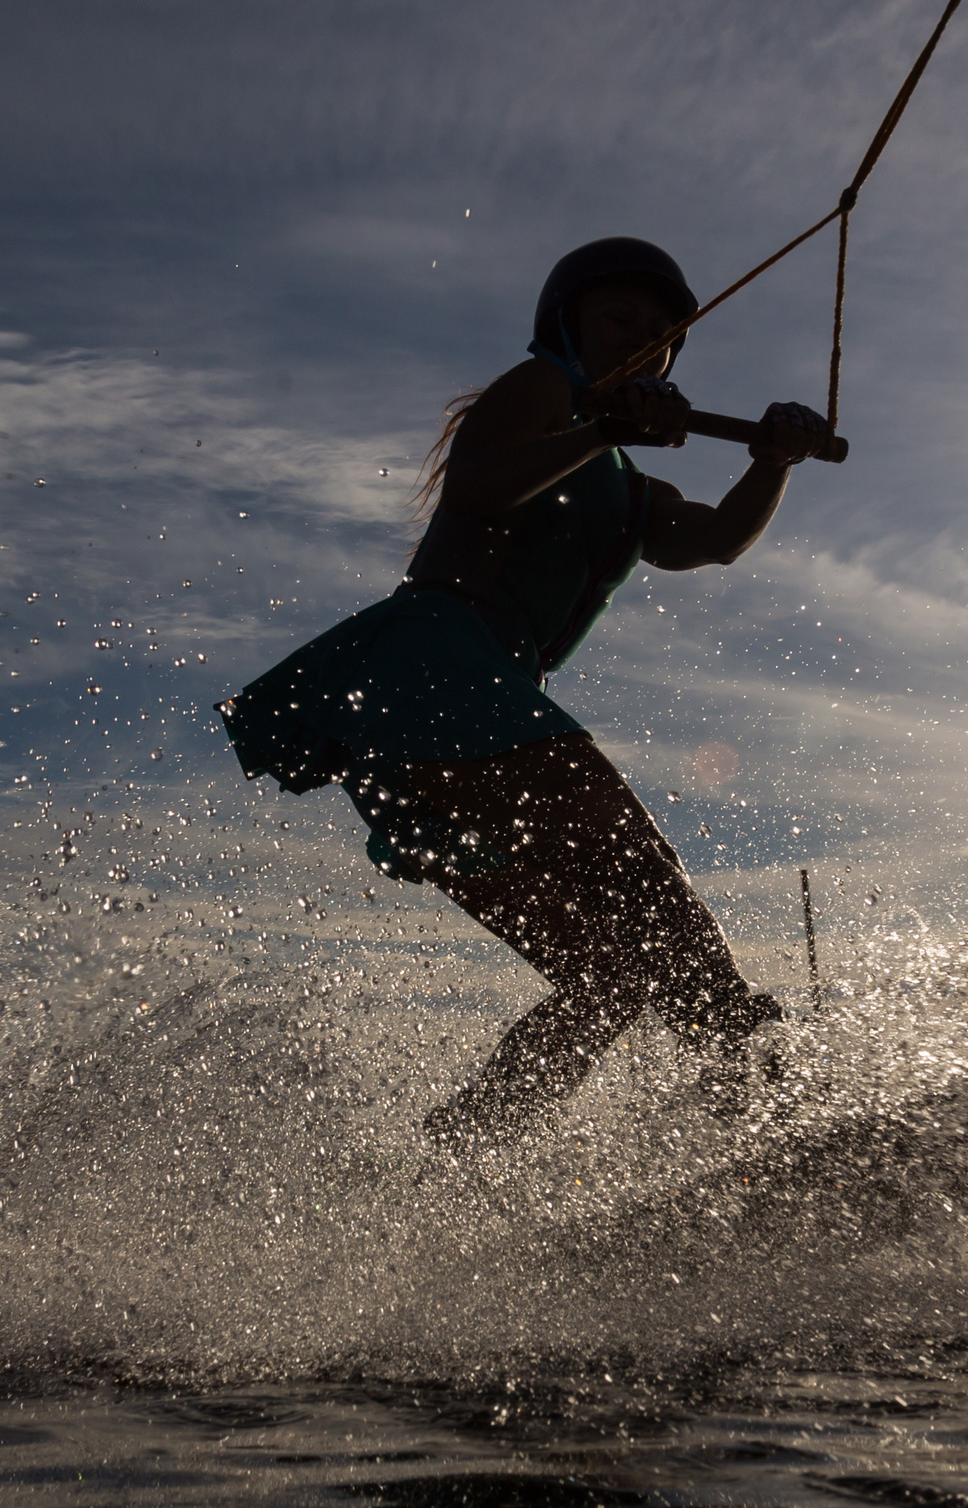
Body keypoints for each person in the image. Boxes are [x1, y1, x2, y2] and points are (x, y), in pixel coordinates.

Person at [219, 237, 830, 1147]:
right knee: (649, 894)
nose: (645, 342)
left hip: (450, 727)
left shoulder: (627, 485)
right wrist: (603, 425)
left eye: (662, 337)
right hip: (434, 668)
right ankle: (759, 1104)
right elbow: (476, 485)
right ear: (567, 321)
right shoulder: (543, 389)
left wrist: (773, 462)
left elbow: (715, 539)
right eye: (621, 319)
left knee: (612, 977)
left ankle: (452, 1160)